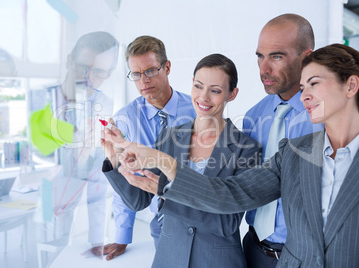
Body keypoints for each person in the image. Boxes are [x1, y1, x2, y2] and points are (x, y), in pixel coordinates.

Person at [114, 43, 359, 268]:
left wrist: (165, 169)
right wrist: (151, 163)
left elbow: (225, 219)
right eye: (303, 88)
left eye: (313, 84)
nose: (304, 97)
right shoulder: (292, 153)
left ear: (351, 86)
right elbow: (229, 194)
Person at [241, 13, 359, 267]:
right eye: (260, 56)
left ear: (307, 57)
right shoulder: (253, 117)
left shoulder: (342, 119)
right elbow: (245, 186)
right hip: (254, 250)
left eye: (277, 56)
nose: (264, 69)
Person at [101, 53, 261, 267]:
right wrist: (115, 157)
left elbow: (226, 223)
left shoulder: (246, 149)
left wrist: (167, 194)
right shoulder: (169, 137)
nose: (203, 98)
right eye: (198, 86)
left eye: (215, 90)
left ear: (232, 94)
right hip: (169, 257)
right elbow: (138, 201)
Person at [102, 35, 196, 261]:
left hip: (199, 212)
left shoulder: (196, 109)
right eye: (136, 74)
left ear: (167, 67)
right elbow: (124, 180)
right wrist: (122, 235)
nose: (143, 80)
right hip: (163, 222)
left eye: (151, 71)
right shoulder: (125, 119)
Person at [41, 31, 119, 259]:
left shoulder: (104, 104)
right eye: (82, 67)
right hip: (47, 200)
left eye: (99, 73)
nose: (88, 78)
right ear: (69, 61)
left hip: (84, 202)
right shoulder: (44, 101)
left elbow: (99, 173)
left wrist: (97, 239)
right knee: (51, 251)